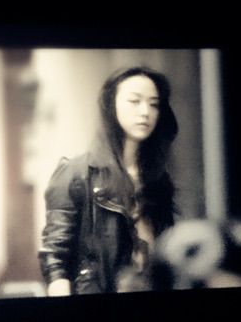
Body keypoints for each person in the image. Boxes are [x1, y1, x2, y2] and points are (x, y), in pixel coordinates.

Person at [38, 66, 179, 295]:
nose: (145, 112)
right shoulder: (76, 173)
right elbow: (55, 258)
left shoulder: (157, 179)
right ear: (111, 105)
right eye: (134, 101)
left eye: (154, 104)